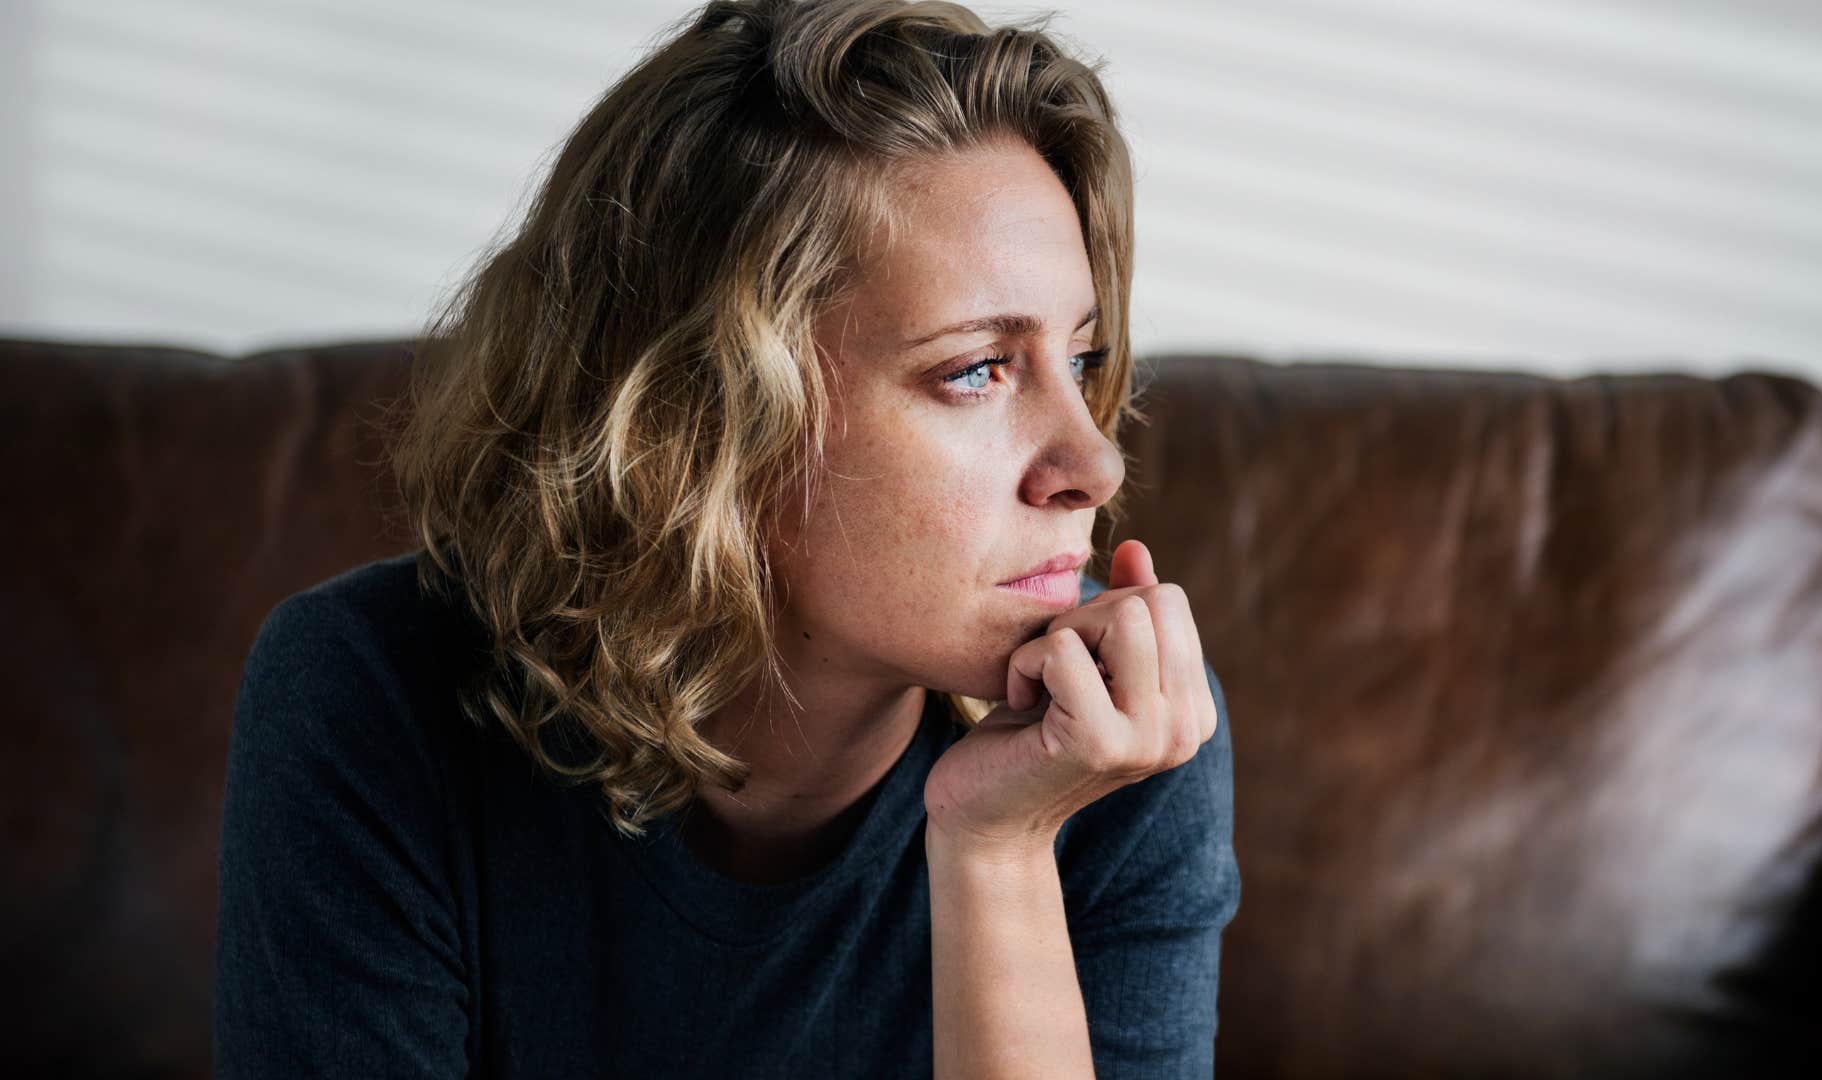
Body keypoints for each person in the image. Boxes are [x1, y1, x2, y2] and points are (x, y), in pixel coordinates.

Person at [213, 0, 1239, 1076]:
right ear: (702, 422)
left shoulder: (1123, 744)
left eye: (1079, 361)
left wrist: (998, 849)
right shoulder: (371, 697)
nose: (1097, 464)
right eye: (975, 370)